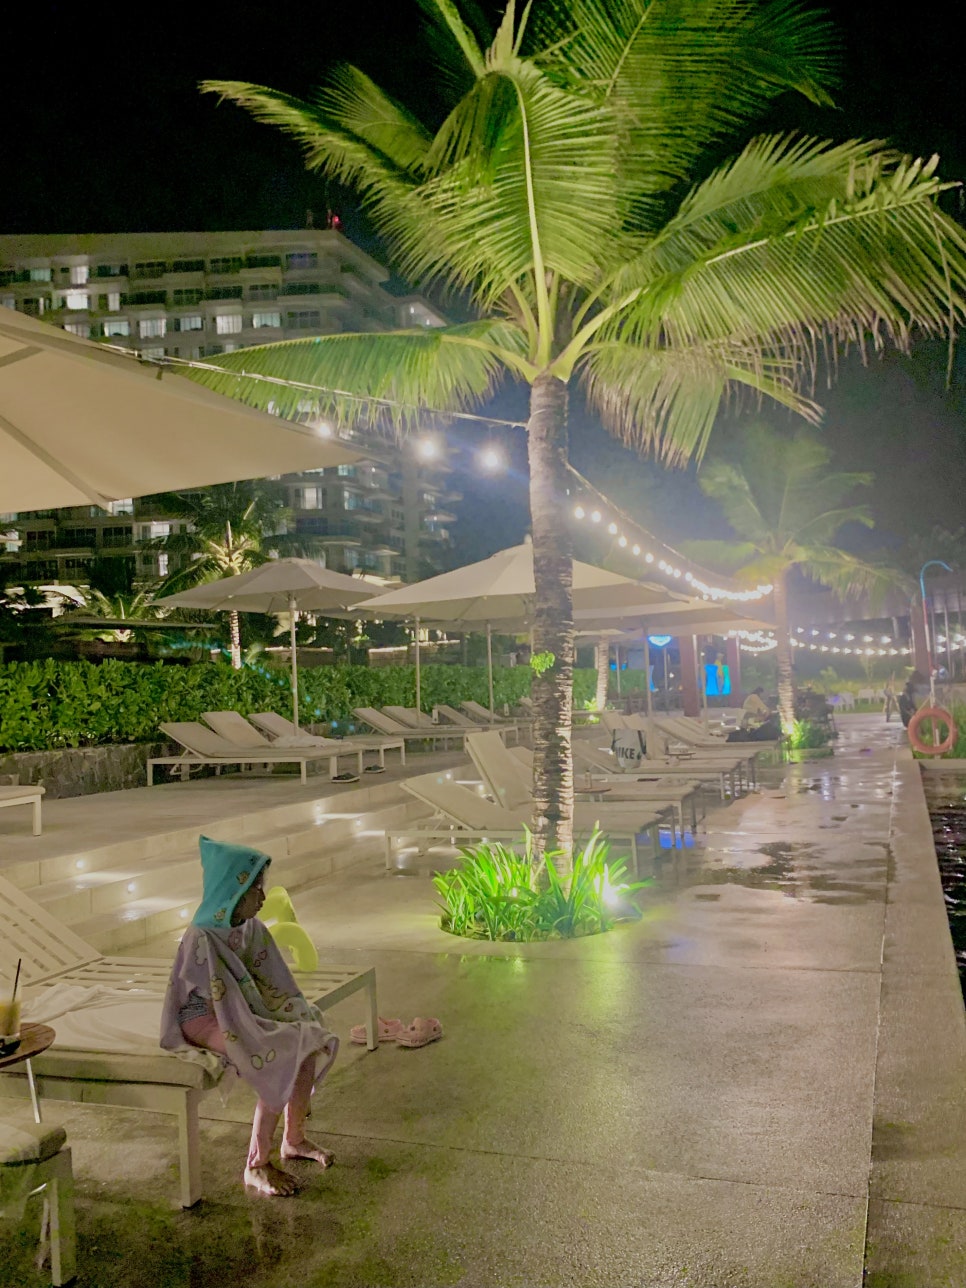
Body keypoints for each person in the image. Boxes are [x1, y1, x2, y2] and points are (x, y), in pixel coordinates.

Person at [161, 836, 338, 1197]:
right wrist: (252, 1026)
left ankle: (294, 1138)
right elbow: (205, 995)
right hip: (203, 1019)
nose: (262, 897)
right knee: (275, 1054)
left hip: (239, 1009)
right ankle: (256, 1164)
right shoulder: (202, 936)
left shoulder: (251, 928)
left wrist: (291, 1013)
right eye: (254, 889)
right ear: (231, 892)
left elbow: (272, 980)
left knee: (306, 1036)